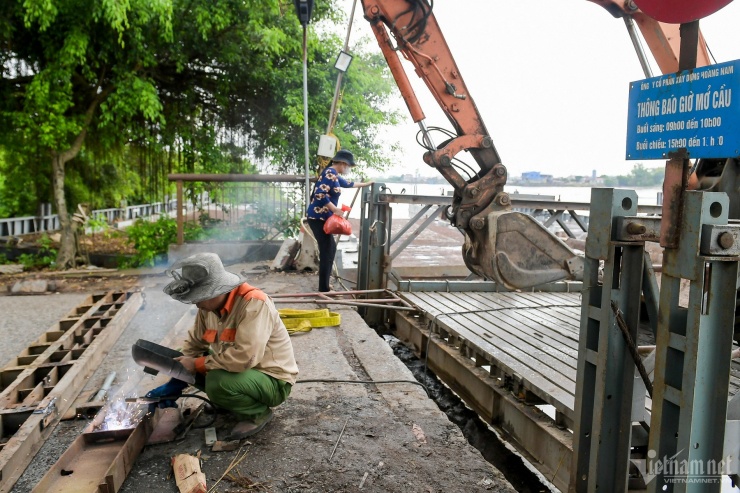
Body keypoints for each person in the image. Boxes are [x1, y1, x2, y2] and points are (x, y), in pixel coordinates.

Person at [147, 252, 298, 439]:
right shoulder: (207, 308)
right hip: (242, 374)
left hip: (273, 380)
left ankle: (257, 414)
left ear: (215, 290)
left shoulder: (254, 304)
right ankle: (228, 401)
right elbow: (194, 345)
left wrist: (195, 365)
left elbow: (244, 358)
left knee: (217, 381)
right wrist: (176, 378)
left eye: (198, 297)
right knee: (182, 358)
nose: (195, 303)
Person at [306, 149, 372, 292]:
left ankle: (324, 285)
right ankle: (323, 288)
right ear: (343, 163)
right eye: (348, 166)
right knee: (327, 250)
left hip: (322, 218)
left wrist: (366, 184)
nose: (348, 169)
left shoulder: (334, 175)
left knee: (329, 249)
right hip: (317, 217)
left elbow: (347, 184)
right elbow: (320, 194)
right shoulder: (330, 173)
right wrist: (335, 209)